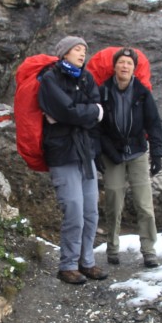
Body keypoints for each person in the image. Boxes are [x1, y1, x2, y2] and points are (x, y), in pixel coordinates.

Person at [38, 36, 109, 285]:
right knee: (74, 211)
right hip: (62, 153)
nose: (82, 53)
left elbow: (96, 110)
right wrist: (82, 113)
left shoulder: (86, 77)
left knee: (91, 212)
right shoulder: (50, 79)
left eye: (84, 49)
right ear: (64, 53)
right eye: (77, 49)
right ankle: (67, 265)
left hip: (85, 152)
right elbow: (69, 110)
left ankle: (86, 262)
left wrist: (77, 114)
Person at [98, 47, 162, 268]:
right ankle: (112, 247)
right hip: (112, 154)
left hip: (137, 152)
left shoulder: (142, 93)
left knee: (144, 204)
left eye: (129, 63)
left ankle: (148, 250)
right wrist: (102, 151)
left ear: (134, 69)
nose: (125, 66)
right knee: (113, 201)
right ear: (114, 66)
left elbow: (153, 124)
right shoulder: (103, 91)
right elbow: (96, 127)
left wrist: (157, 154)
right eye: (121, 62)